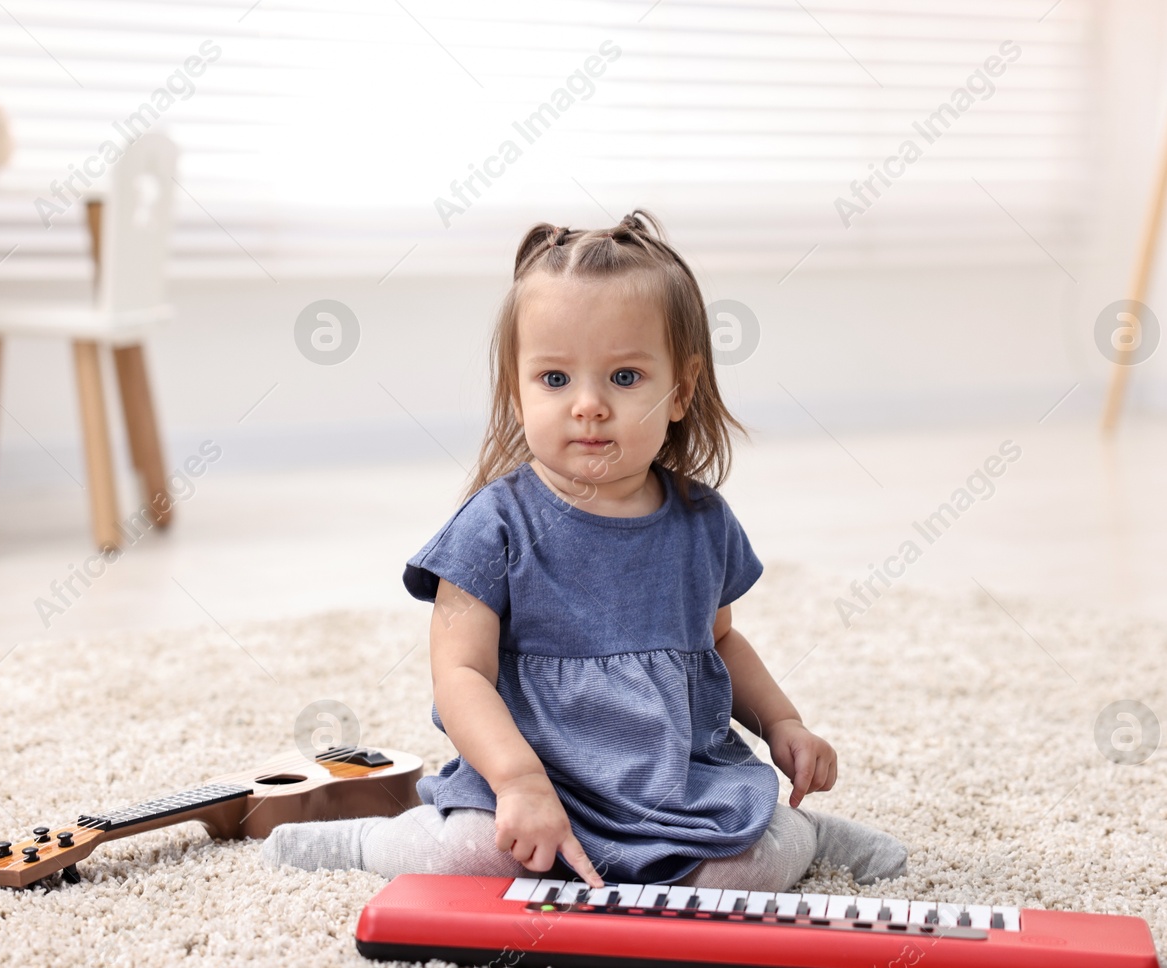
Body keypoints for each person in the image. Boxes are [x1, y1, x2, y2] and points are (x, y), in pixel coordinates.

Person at [264, 210, 906, 890]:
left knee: (738, 871)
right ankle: (376, 839)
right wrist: (517, 782)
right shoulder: (493, 527)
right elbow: (461, 677)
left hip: (677, 787)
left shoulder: (701, 522)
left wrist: (783, 723)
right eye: (555, 379)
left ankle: (803, 833)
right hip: (532, 779)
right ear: (517, 390)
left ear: (681, 390)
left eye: (625, 378)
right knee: (469, 859)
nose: (589, 405)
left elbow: (720, 644)